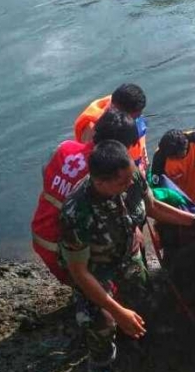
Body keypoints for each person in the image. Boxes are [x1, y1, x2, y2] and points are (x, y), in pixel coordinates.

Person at [59, 140, 195, 372]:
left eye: (130, 178)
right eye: (121, 183)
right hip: (97, 271)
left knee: (144, 302)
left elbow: (153, 207)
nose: (128, 186)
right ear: (100, 182)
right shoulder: (76, 214)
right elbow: (79, 273)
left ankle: (138, 340)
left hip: (129, 256)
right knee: (102, 321)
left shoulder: (132, 178)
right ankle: (101, 365)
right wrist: (117, 311)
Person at [31, 108, 139, 284]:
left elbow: (46, 174)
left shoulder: (64, 148)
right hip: (63, 246)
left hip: (40, 234)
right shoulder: (102, 174)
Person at [74, 83, 149, 173]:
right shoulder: (95, 129)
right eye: (135, 117)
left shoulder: (130, 109)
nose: (138, 117)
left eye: (138, 115)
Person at [150, 129, 195, 204]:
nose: (175, 160)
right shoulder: (160, 157)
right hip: (184, 202)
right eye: (171, 157)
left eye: (176, 157)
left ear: (186, 146)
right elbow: (157, 188)